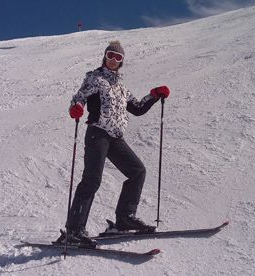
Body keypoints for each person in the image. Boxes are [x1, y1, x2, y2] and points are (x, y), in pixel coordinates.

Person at [57, 41, 171, 247]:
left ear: (122, 62)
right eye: (111, 55)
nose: (113, 60)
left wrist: (154, 95)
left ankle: (124, 219)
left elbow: (137, 108)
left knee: (137, 171)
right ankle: (73, 230)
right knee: (92, 180)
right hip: (97, 133)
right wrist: (76, 107)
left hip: (116, 137)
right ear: (105, 56)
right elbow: (79, 97)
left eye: (118, 57)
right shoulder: (95, 78)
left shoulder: (121, 88)